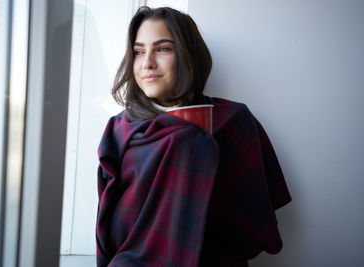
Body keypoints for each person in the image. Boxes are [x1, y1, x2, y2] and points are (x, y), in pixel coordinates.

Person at [96, 6, 291, 267]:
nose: (147, 63)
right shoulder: (119, 129)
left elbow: (254, 222)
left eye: (163, 48)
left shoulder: (232, 120)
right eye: (139, 51)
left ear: (188, 54)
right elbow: (108, 223)